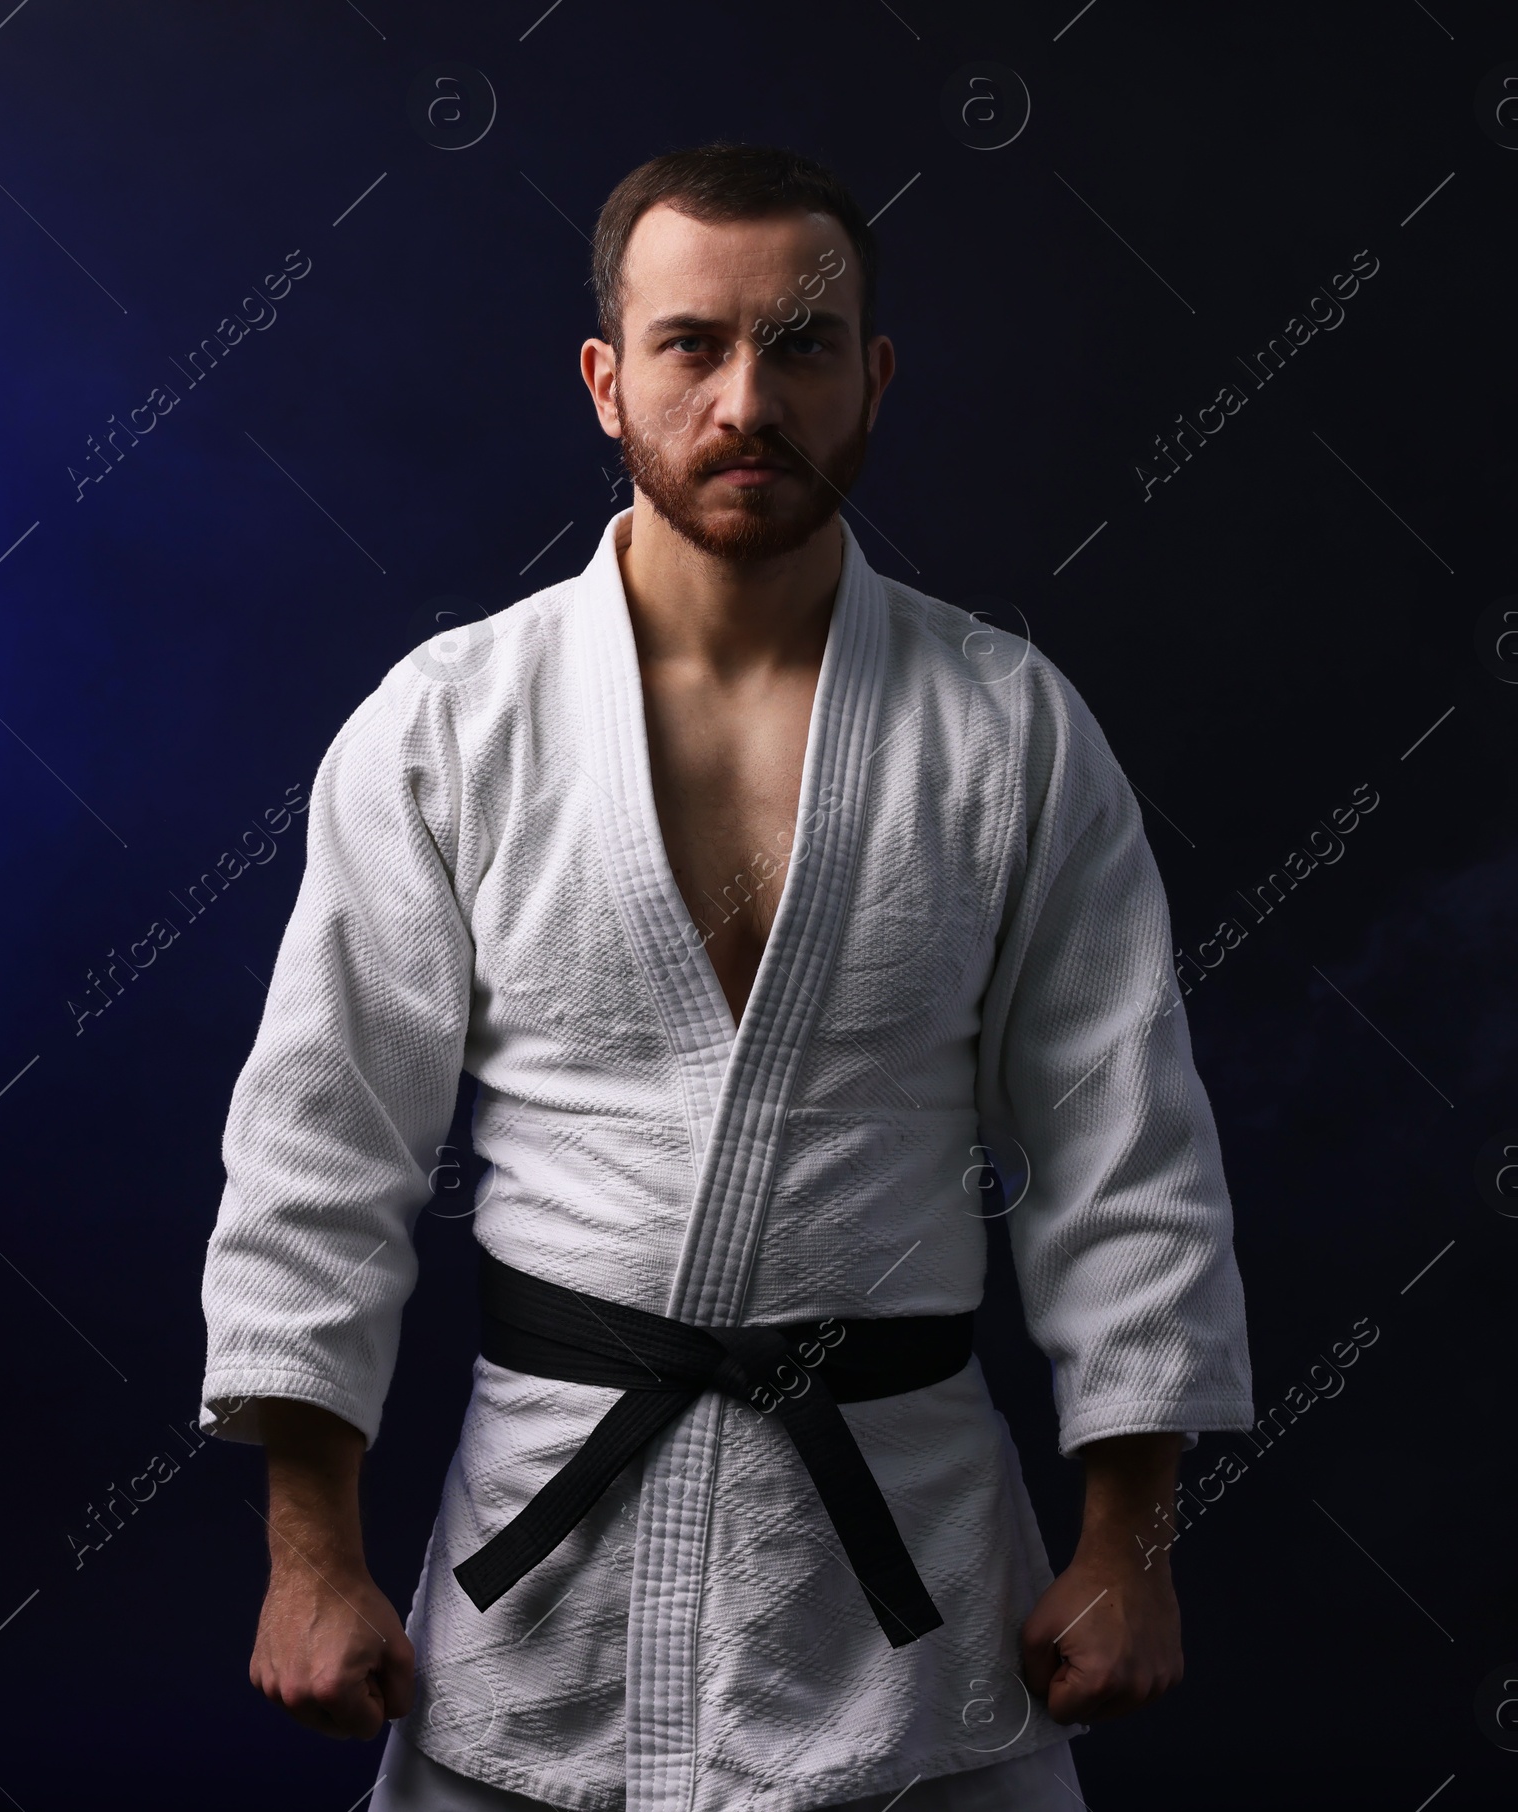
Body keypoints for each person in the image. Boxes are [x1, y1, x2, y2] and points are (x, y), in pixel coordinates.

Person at [198, 141, 1254, 1812]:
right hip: (534, 1605)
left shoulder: (1009, 733)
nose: (747, 399)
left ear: (873, 381)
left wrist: (1132, 1541)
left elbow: (1123, 1156)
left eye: (805, 345)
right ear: (608, 381)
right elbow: (322, 1158)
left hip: (918, 1617)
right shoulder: (451, 727)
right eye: (694, 344)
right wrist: (309, 1552)